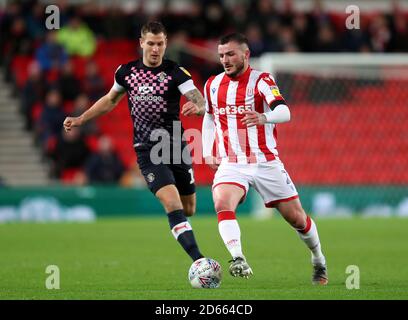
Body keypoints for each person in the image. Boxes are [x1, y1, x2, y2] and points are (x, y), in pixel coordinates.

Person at [63, 21, 206, 263]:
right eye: (150, 43)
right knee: (172, 203)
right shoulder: (126, 72)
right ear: (141, 43)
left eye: (160, 44)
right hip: (147, 149)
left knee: (189, 208)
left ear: (165, 44)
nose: (155, 49)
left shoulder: (176, 72)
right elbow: (110, 100)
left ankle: (192, 245)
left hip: (175, 146)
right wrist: (81, 119)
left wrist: (199, 106)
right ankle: (200, 261)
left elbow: (199, 99)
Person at [201, 33, 328, 285]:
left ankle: (318, 259)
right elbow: (208, 117)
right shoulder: (212, 85)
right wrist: (207, 150)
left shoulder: (262, 80)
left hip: (265, 161)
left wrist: (263, 117)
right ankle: (237, 258)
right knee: (222, 202)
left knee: (297, 218)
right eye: (221, 55)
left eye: (231, 54)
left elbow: (284, 111)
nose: (225, 60)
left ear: (246, 55)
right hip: (232, 162)